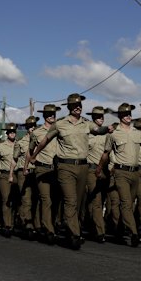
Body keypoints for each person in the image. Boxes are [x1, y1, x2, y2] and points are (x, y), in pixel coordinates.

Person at [27, 93, 111, 250]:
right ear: (69, 107)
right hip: (65, 167)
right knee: (70, 200)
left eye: (80, 105)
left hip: (83, 167)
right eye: (74, 105)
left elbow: (99, 130)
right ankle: (74, 234)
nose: (78, 107)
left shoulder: (86, 124)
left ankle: (70, 226)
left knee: (79, 202)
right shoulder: (60, 124)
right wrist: (34, 155)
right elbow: (45, 140)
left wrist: (109, 128)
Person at [96, 103, 141, 247]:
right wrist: (100, 168)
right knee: (125, 203)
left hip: (134, 173)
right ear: (119, 117)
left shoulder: (137, 133)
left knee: (130, 203)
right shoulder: (113, 134)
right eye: (125, 114)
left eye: (129, 114)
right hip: (120, 172)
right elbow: (106, 154)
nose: (128, 116)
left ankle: (120, 230)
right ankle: (134, 233)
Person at [25, 104, 61, 245]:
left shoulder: (60, 130)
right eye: (49, 113)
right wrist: (27, 166)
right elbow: (30, 151)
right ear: (45, 115)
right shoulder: (37, 133)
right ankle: (49, 230)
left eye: (53, 113)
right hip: (42, 169)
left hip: (57, 170)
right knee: (46, 200)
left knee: (56, 200)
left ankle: (52, 224)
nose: (52, 115)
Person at [11, 116, 39, 239]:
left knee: (37, 199)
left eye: (34, 126)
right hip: (24, 173)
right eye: (30, 126)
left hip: (37, 172)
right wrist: (11, 174)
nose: (32, 128)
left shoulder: (41, 139)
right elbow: (14, 159)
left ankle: (36, 224)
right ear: (27, 128)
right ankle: (27, 225)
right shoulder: (21, 142)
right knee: (26, 199)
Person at [85, 106, 109, 243]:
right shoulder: (87, 134)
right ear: (93, 118)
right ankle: (100, 232)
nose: (100, 119)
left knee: (105, 200)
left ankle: (92, 225)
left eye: (102, 116)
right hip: (92, 170)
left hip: (107, 170)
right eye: (97, 116)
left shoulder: (107, 134)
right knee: (97, 201)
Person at [0, 123, 18, 237]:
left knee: (15, 200)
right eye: (10, 132)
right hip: (4, 175)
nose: (12, 134)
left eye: (14, 132)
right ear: (7, 134)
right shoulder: (0, 146)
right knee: (6, 199)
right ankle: (7, 225)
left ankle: (12, 223)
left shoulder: (19, 144)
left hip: (17, 174)